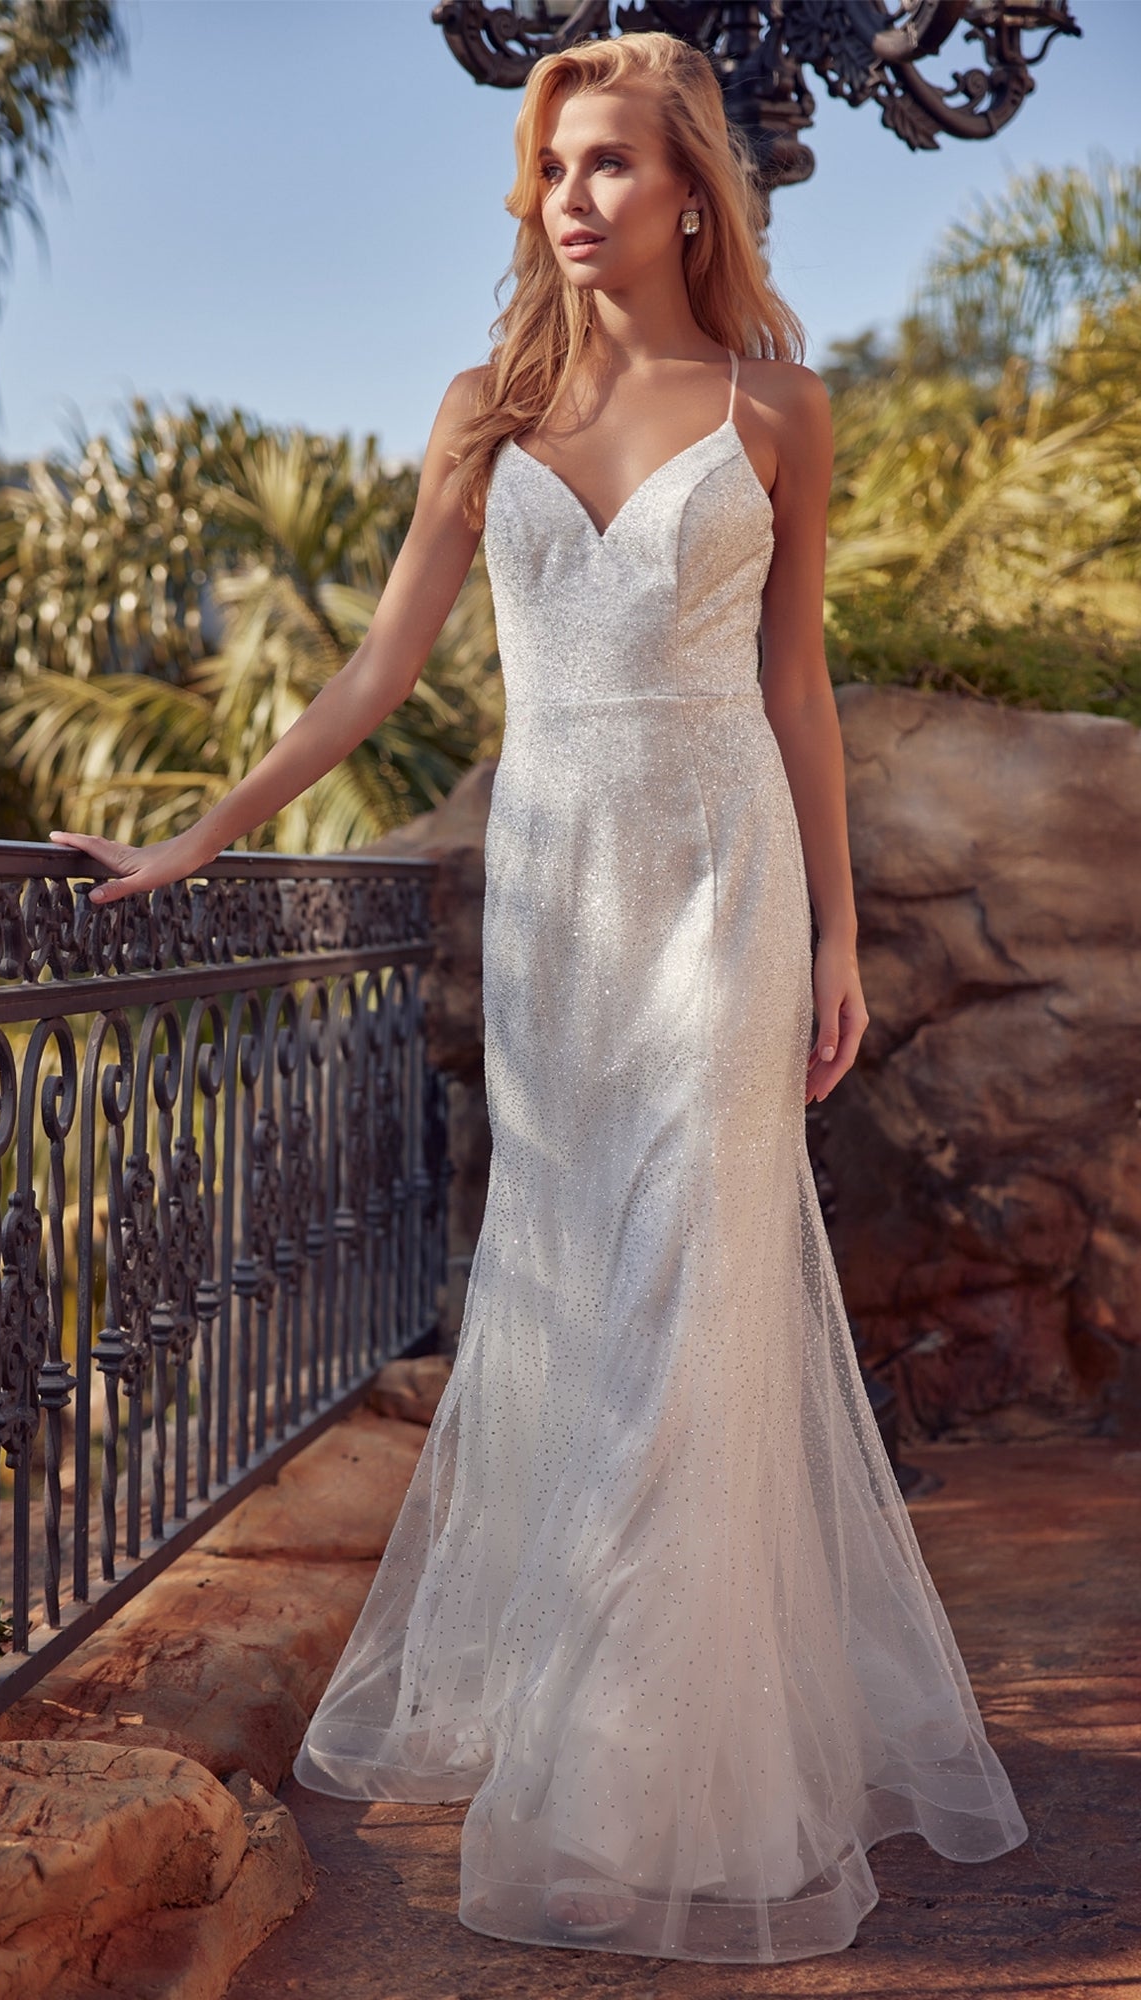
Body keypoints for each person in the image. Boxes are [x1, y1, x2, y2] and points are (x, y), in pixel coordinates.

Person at [52, 30, 1028, 1968]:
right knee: (582, 1307)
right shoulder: (481, 413)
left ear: (687, 192)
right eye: (551, 172)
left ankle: (632, 1779)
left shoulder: (778, 412)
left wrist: (835, 932)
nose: (569, 202)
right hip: (560, 914)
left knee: (683, 1315)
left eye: (605, 167)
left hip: (724, 889)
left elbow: (797, 689)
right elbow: (371, 681)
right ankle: (612, 1738)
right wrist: (196, 844)